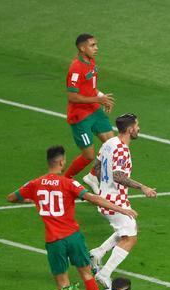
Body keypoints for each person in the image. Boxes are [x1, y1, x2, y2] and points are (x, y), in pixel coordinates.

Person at [6, 145, 138, 290]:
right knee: (86, 275)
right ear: (61, 162)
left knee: (64, 286)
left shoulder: (35, 183)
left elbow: (11, 197)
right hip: (73, 238)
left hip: (54, 241)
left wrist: (32, 198)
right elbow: (94, 198)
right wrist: (122, 209)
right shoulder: (68, 183)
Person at [88, 113, 157, 288]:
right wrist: (142, 187)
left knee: (129, 229)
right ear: (129, 129)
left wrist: (102, 187)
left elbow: (96, 167)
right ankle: (104, 274)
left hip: (107, 197)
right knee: (130, 238)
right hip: (114, 201)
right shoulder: (122, 150)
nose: (138, 129)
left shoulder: (108, 143)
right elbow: (118, 176)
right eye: (137, 126)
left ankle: (98, 253)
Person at [63, 33, 116, 193]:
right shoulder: (75, 69)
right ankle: (65, 180)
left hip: (94, 110)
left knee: (112, 146)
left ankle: (92, 176)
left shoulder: (91, 61)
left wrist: (101, 97)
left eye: (96, 45)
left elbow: (90, 88)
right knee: (88, 156)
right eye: (92, 45)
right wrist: (97, 100)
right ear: (82, 48)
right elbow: (72, 96)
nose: (96, 48)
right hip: (80, 117)